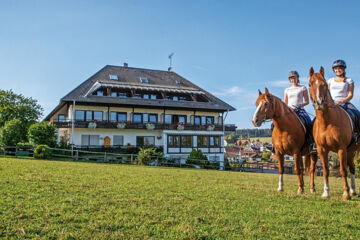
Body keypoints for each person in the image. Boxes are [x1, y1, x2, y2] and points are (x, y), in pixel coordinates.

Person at [328, 59, 360, 138]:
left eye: (340, 68)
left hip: (345, 103)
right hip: (332, 104)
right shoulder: (330, 80)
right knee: (316, 118)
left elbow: (350, 95)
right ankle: (314, 141)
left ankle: (357, 134)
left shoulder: (349, 81)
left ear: (344, 69)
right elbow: (328, 94)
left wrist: (341, 101)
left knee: (357, 114)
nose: (337, 70)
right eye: (336, 68)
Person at [284, 71, 314, 150]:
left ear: (297, 78)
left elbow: (307, 101)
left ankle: (311, 143)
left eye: (294, 78)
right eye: (291, 78)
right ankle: (274, 144)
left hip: (300, 110)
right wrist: (288, 109)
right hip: (289, 111)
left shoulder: (303, 88)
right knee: (274, 124)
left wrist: (300, 105)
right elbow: (285, 103)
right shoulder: (287, 90)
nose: (293, 80)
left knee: (309, 123)